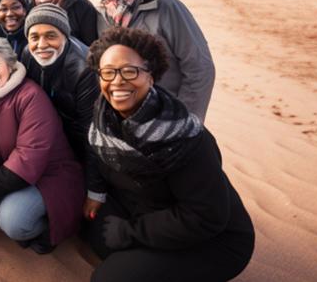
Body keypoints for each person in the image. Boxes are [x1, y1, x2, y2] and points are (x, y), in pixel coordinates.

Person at [83, 27, 254, 281]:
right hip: (152, 210)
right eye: (108, 72)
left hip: (215, 239)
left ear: (151, 76)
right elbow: (97, 156)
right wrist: (95, 194)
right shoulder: (103, 119)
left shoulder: (185, 136)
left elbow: (206, 216)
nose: (117, 81)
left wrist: (131, 231)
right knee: (98, 238)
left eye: (130, 71)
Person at [0, 36, 84, 254]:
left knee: (13, 221)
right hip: (12, 171)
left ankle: (48, 230)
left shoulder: (30, 96)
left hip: (50, 176)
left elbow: (28, 159)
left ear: (9, 64)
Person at [91, 0, 215, 121]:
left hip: (169, 110)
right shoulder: (101, 15)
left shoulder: (164, 3)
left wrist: (186, 118)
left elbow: (200, 65)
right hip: (131, 118)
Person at [19, 4, 101, 208]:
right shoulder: (28, 54)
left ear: (64, 35)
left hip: (77, 143)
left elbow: (92, 131)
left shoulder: (84, 68)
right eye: (34, 37)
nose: (41, 44)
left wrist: (95, 191)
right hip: (48, 139)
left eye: (51, 35)